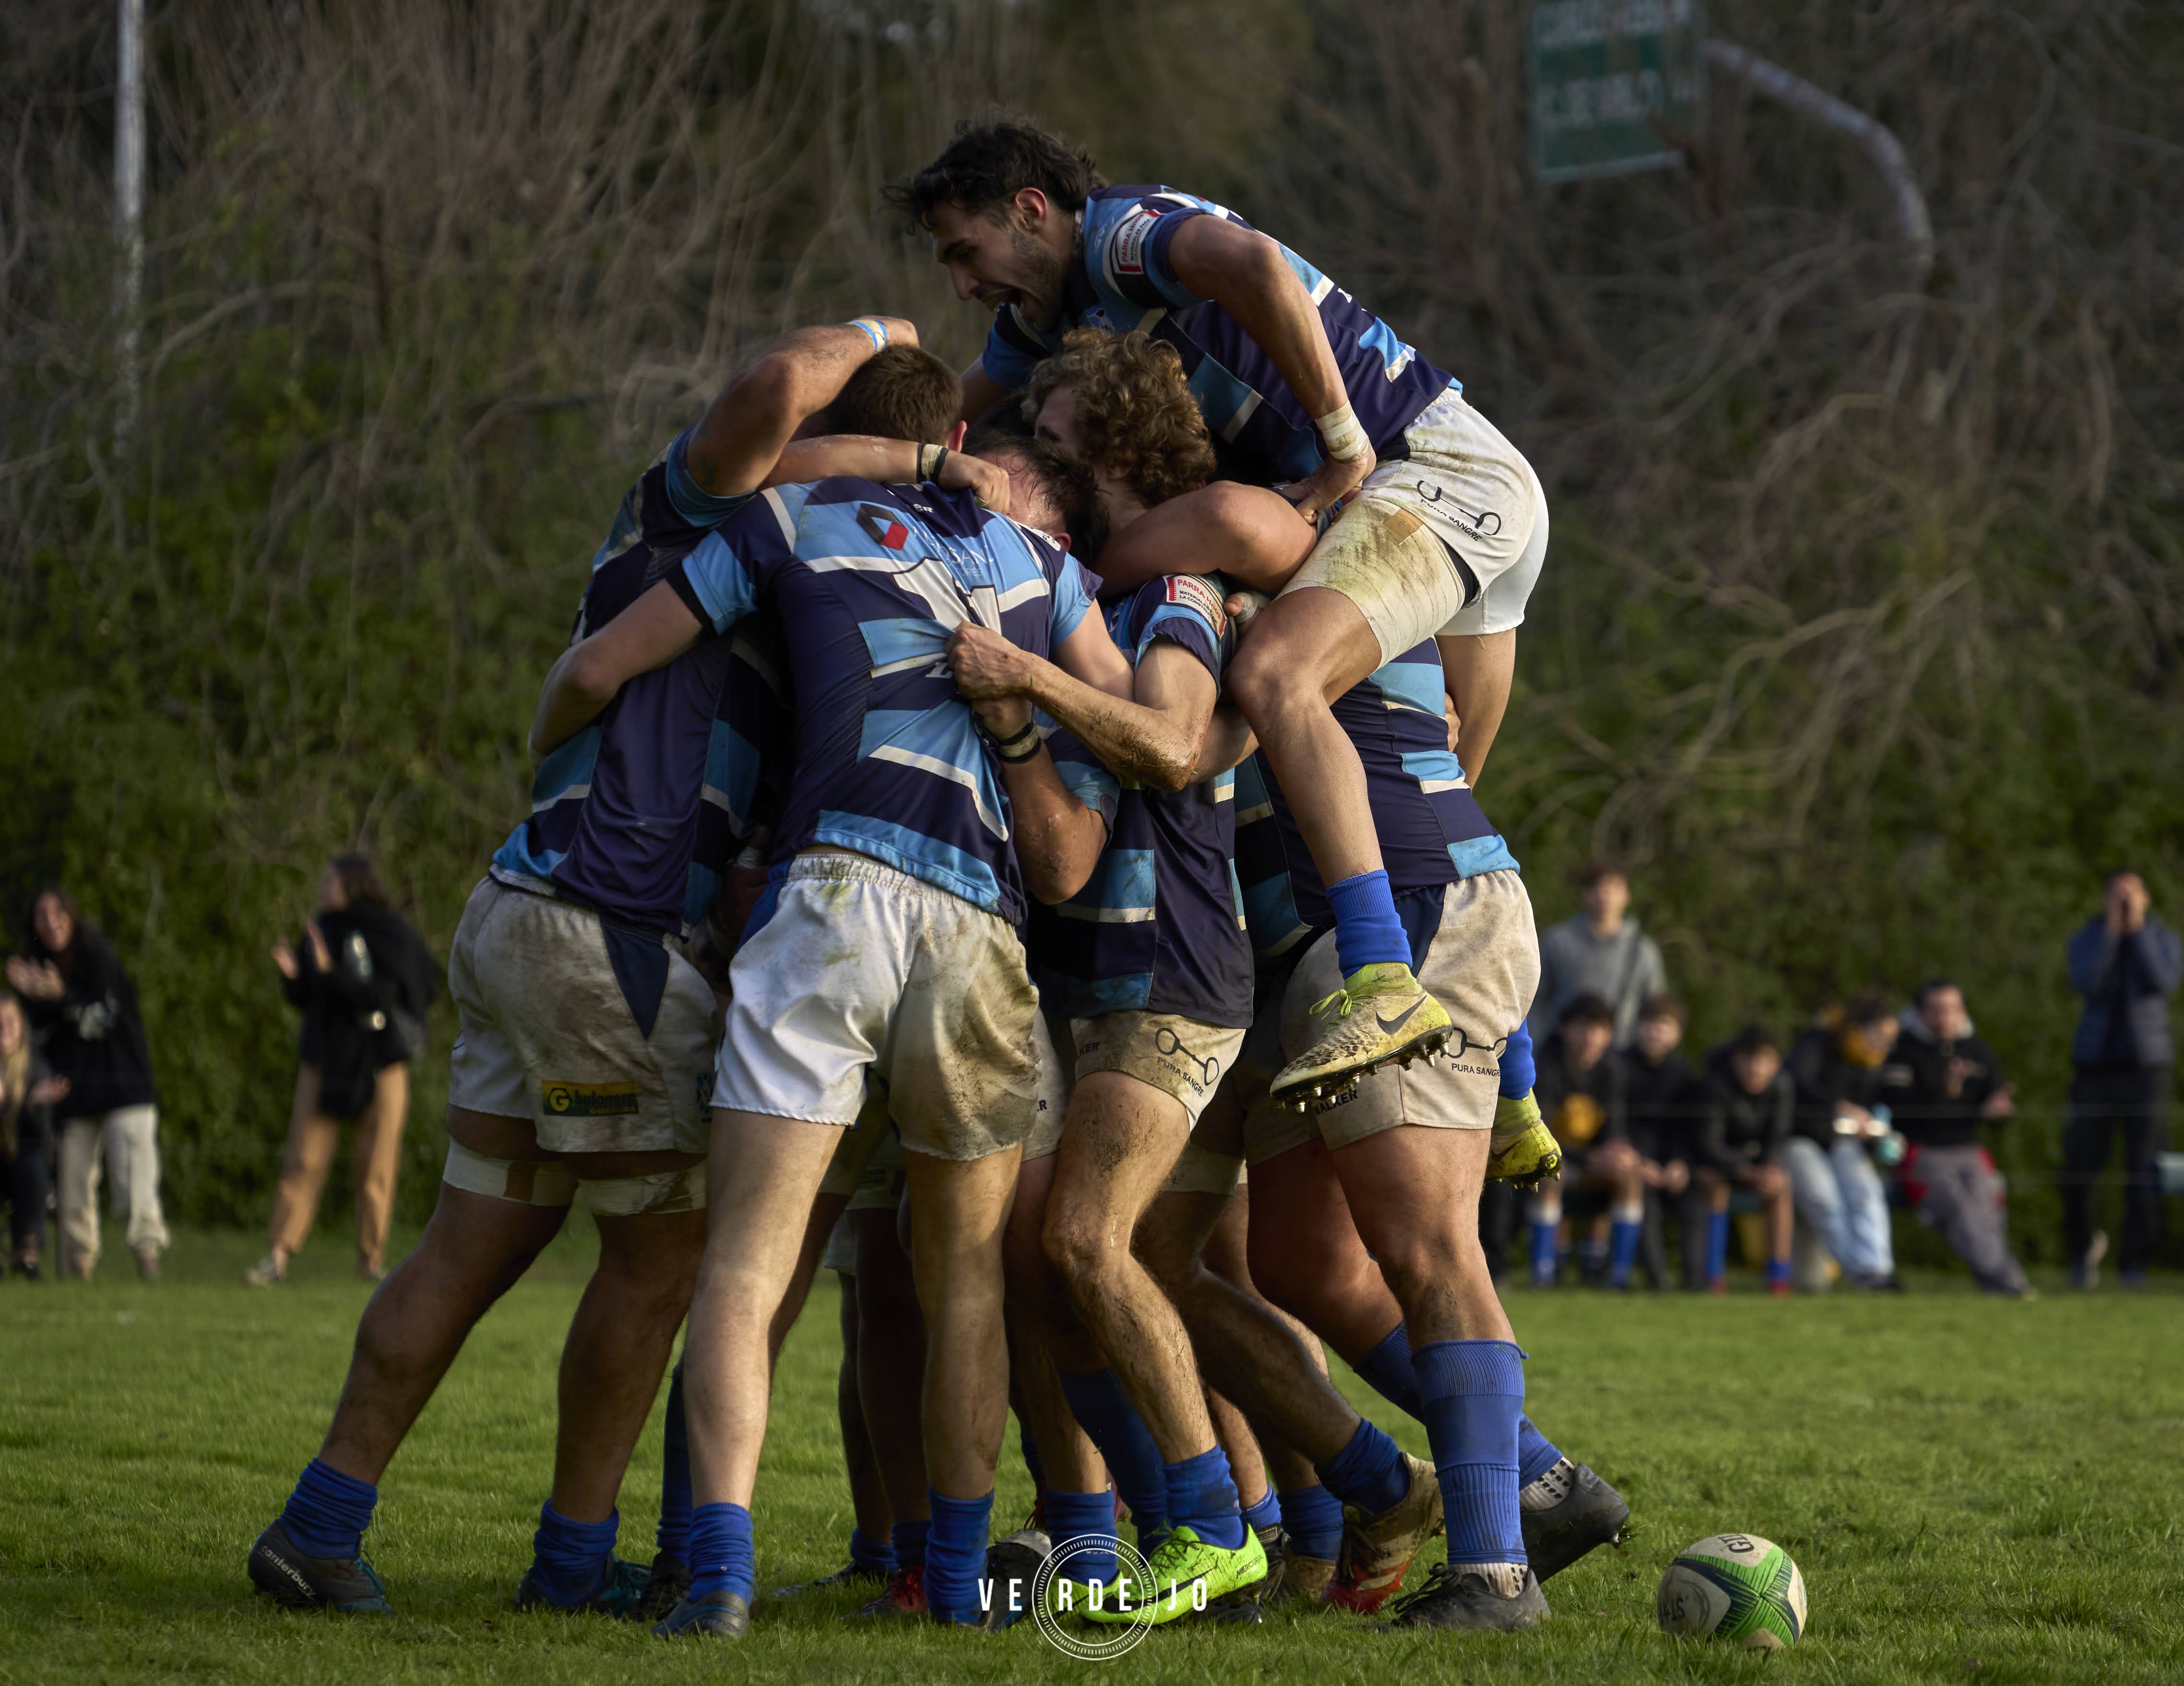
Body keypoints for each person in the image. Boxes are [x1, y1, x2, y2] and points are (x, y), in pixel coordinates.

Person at [244, 318, 952, 1620]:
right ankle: (572, 1562)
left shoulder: (788, 587)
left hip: (521, 908)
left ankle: (316, 1523)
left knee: (470, 1244)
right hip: (603, 934)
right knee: (668, 1258)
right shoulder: (695, 507)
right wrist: (889, 340)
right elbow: (773, 392)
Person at [535, 414, 1137, 1638]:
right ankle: (959, 1586)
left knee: (746, 1265)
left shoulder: (786, 518)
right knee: (964, 1282)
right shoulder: (1049, 567)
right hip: (979, 921)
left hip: (831, 898)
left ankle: (716, 1579)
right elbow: (1133, 725)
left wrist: (543, 753)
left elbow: (613, 657)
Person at [892, 115, 1553, 1110]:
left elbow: (1253, 262)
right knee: (1432, 791)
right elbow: (951, 408)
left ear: (1031, 210)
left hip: (1431, 469)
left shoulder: (1117, 236)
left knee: (1274, 679)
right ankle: (1508, 1071)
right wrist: (851, 443)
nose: (958, 282)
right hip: (1463, 485)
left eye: (963, 249)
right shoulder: (1047, 322)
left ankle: (1379, 977)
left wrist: (1339, 447)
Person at [946, 329, 1268, 1614]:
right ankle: (1166, 1531)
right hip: (1095, 981)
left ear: (1125, 445)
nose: (1043, 442)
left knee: (1086, 1241)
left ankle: (1227, 1531)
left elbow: (1176, 746)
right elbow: (1069, 863)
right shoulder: (1082, 594)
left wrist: (1023, 676)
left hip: (1174, 972)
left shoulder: (1178, 594)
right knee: (1053, 1264)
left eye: (1063, 428)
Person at [247, 855, 437, 1286]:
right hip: (327, 1059)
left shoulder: (389, 933)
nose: (322, 886)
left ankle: (371, 1262)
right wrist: (295, 977)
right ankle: (277, 1256)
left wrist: (330, 975)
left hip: (382, 1062)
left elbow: (381, 996)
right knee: (305, 1156)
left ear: (353, 884)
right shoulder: (322, 930)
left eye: (330, 879)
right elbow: (308, 997)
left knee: (377, 1164)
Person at [7, 888, 166, 1280]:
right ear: (34, 926)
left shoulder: (97, 957)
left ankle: (147, 1260)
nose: (51, 920)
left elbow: (100, 1020)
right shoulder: (37, 971)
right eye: (42, 914)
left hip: (125, 1088)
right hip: (73, 1094)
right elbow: (29, 1042)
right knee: (74, 1188)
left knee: (133, 1180)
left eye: (58, 911)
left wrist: (61, 997)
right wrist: (26, 999)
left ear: (72, 916)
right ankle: (80, 1269)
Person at [2062, 870, 2179, 1288]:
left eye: (2133, 894)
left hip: (2147, 1067)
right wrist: (2113, 930)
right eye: (2117, 894)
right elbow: (2089, 981)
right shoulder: (2090, 938)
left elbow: (2164, 980)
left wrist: (2140, 931)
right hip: (2096, 1066)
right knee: (2079, 1162)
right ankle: (2082, 1250)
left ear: (2147, 898)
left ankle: (2135, 1264)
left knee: (2144, 1168)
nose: (2126, 900)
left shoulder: (2163, 938)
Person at [1891, 981, 2031, 1297]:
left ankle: (2001, 1282)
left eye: (1953, 1009)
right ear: (1921, 1014)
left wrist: (1999, 1110)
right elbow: (1902, 1115)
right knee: (1960, 1210)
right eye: (1937, 1010)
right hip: (1923, 1154)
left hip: (1970, 1150)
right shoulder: (1904, 1051)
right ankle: (2008, 1281)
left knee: (1987, 1210)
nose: (1945, 1018)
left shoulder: (1977, 1050)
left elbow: (1995, 1103)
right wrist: (1946, 1090)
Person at [1785, 991, 1906, 1293]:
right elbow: (1796, 1084)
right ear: (1859, 1027)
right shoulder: (1816, 1042)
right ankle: (1862, 1274)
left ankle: (1877, 1268)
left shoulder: (1874, 1063)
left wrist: (1874, 1131)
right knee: (1825, 1199)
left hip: (1843, 1140)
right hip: (1800, 1138)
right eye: (1879, 1034)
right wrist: (1836, 1106)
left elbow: (1880, 1108)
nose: (1884, 1044)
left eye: (1890, 1038)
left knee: (1866, 1190)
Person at [1527, 996, 1640, 1288]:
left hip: (1594, 1161)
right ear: (1565, 1029)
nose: (1590, 1038)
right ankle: (1544, 1273)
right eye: (1583, 1028)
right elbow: (1542, 1131)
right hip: (1551, 1159)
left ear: (1610, 1036)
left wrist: (1618, 1150)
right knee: (1551, 1176)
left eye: (1599, 1030)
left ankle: (1617, 1277)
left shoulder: (1613, 1070)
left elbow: (1616, 1125)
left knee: (1631, 1176)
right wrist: (1591, 1158)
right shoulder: (1544, 1066)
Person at [1693, 1025, 1796, 1294]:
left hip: (1757, 1168)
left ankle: (1778, 1280)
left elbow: (1778, 1137)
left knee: (1781, 1187)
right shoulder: (1715, 1087)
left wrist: (1771, 1167)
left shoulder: (1783, 1087)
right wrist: (1745, 1170)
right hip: (1718, 1167)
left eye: (1764, 1060)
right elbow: (1708, 1146)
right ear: (1736, 1060)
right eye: (1749, 1059)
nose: (1756, 1068)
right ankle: (1714, 1278)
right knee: (1715, 1186)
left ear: (1776, 1063)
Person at [1528, 863, 1669, 1049]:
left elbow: (1655, 1011)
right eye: (1596, 887)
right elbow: (1535, 1001)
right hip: (1560, 1056)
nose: (1604, 894)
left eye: (1613, 886)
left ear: (1627, 895)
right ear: (1584, 894)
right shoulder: (1557, 942)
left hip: (1623, 1056)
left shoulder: (1643, 951)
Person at [1620, 994, 1701, 1289]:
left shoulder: (1685, 1075)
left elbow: (1690, 1129)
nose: (1655, 1031)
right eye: (1649, 1024)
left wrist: (1681, 1164)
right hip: (1635, 1164)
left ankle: (1696, 1281)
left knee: (1694, 1203)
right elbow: (1618, 1124)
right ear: (1638, 1027)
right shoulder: (1620, 1067)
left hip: (1673, 1165)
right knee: (1646, 1205)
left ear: (1678, 1034)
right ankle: (1658, 1280)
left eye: (1664, 1026)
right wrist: (1641, 1162)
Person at [1, 990, 66, 1280]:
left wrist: (30, 1105)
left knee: (33, 1169)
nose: (4, 1030)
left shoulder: (36, 1068)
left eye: (9, 1022)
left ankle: (26, 1251)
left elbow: (42, 1139)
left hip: (24, 1161)